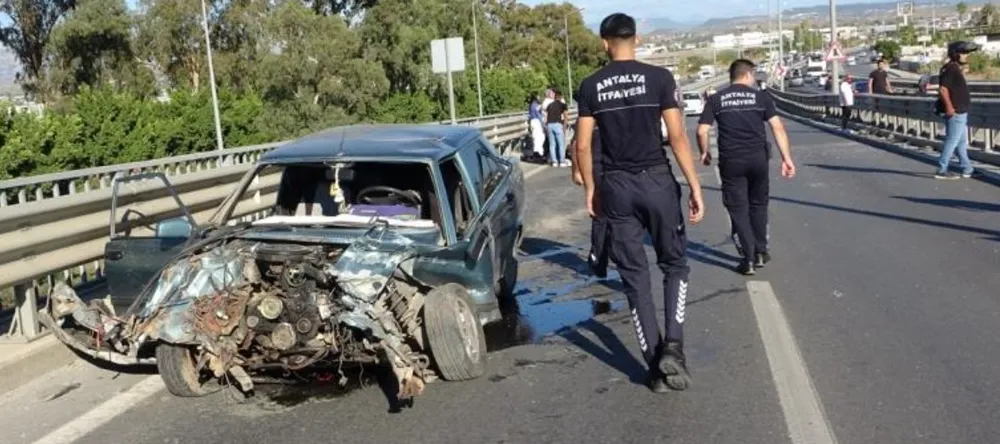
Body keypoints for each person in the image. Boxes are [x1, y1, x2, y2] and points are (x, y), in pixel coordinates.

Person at [575, 12, 704, 393]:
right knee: (675, 265)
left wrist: (591, 191)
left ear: (604, 42)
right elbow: (678, 136)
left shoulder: (591, 85)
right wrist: (694, 185)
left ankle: (653, 367)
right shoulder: (659, 78)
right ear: (638, 39)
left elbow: (583, 145)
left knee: (635, 278)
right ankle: (674, 349)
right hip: (657, 181)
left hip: (616, 187)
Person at [696, 59, 795, 275]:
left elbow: (702, 130)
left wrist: (705, 152)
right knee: (758, 205)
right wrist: (786, 158)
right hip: (758, 159)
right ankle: (760, 251)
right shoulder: (761, 97)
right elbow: (777, 128)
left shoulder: (716, 99)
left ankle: (748, 258)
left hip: (732, 162)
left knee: (738, 208)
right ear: (748, 75)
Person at [934, 41, 980, 180]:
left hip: (959, 110)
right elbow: (943, 89)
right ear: (955, 54)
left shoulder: (952, 68)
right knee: (952, 140)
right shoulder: (951, 69)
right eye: (964, 53)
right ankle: (942, 169)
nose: (966, 56)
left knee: (960, 142)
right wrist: (949, 107)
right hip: (956, 111)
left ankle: (967, 169)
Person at [570, 124, 610, 279]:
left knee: (618, 217)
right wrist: (577, 170)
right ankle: (598, 257)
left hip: (617, 170)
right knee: (600, 217)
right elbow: (576, 144)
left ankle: (603, 256)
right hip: (596, 171)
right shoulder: (591, 111)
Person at [545, 90, 570, 167]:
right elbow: (566, 116)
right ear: (561, 97)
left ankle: (554, 161)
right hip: (558, 124)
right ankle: (562, 161)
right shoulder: (563, 105)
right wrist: (565, 126)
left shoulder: (549, 105)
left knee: (552, 144)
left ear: (555, 97)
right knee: (561, 144)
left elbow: (546, 117)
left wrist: (545, 127)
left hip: (549, 125)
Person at [527, 95, 546, 161]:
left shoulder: (531, 105)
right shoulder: (536, 106)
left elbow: (529, 116)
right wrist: (543, 125)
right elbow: (539, 116)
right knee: (540, 138)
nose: (539, 98)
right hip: (537, 121)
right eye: (538, 97)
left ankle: (538, 152)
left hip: (533, 122)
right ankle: (538, 153)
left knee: (537, 137)